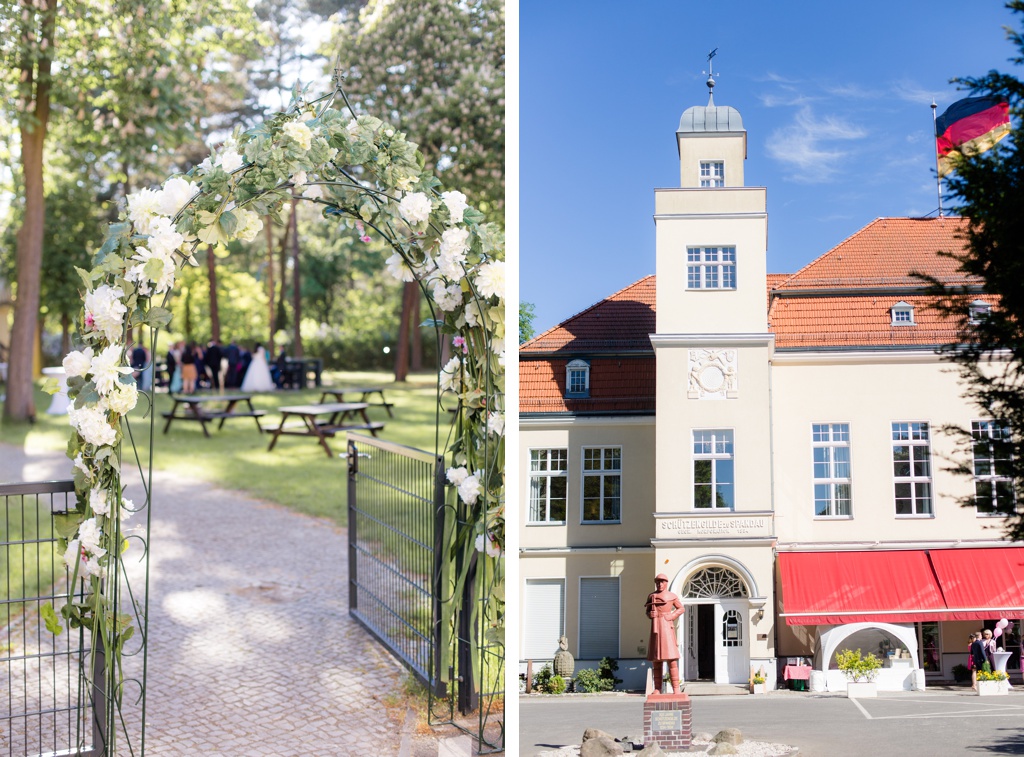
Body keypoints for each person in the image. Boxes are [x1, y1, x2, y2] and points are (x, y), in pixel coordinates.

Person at [645, 573, 684, 694]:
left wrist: (671, 616)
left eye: (662, 582)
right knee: (656, 660)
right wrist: (650, 615)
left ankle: (676, 689)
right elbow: (647, 611)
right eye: (657, 582)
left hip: (667, 627)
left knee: (672, 659)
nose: (659, 584)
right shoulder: (651, 596)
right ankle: (657, 688)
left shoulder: (671, 596)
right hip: (656, 629)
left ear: (666, 583)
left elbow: (681, 608)